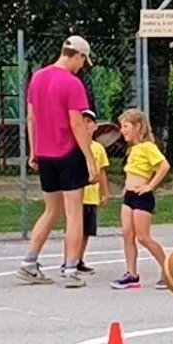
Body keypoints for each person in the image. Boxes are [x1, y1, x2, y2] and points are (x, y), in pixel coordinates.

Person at [16, 35, 97, 288]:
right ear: (78, 56)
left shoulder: (38, 77)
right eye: (83, 61)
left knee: (51, 210)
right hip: (68, 154)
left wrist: (34, 150)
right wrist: (89, 157)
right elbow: (76, 123)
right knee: (74, 214)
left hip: (46, 154)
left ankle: (30, 262)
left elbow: (31, 118)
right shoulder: (72, 84)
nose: (82, 67)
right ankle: (71, 269)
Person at [110, 109, 171, 290]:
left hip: (142, 197)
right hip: (129, 196)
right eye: (122, 127)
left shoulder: (148, 147)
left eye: (126, 126)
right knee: (127, 235)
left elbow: (164, 166)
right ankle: (132, 274)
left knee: (143, 237)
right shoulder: (133, 149)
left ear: (137, 126)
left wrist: (150, 186)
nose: (123, 130)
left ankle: (168, 270)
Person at [62, 110, 110, 276]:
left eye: (89, 122)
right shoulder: (73, 147)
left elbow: (102, 171)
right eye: (82, 122)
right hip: (76, 195)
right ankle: (68, 260)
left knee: (87, 230)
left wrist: (105, 192)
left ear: (95, 127)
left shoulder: (98, 149)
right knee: (73, 227)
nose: (86, 125)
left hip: (91, 196)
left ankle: (79, 259)